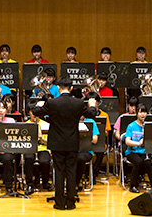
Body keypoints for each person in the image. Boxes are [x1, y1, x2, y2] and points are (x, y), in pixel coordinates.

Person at [32, 78, 97, 210]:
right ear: (71, 88)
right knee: (71, 172)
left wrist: (39, 105)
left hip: (57, 143)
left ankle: (59, 203)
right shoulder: (78, 102)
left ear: (59, 88)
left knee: (59, 172)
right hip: (72, 142)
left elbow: (36, 112)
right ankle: (71, 202)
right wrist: (91, 104)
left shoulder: (52, 102)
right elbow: (92, 114)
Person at [123, 103, 152, 193]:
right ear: (136, 114)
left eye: (144, 112)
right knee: (138, 162)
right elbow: (127, 141)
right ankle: (133, 185)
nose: (143, 114)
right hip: (132, 152)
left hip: (144, 151)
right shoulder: (131, 126)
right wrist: (138, 143)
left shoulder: (147, 126)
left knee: (148, 163)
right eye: (140, 112)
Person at [23, 104, 52, 194]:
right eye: (32, 112)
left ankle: (45, 182)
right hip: (30, 148)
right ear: (29, 113)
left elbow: (50, 143)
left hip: (43, 148)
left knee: (45, 161)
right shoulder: (25, 125)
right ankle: (29, 184)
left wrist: (41, 138)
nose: (34, 115)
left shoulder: (46, 125)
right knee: (28, 158)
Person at [84, 92, 111, 183]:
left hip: (99, 142)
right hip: (86, 143)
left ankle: (93, 173)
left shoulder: (104, 115)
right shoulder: (84, 115)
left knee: (101, 152)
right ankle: (86, 173)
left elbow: (107, 132)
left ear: (98, 103)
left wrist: (102, 131)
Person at [76, 114, 99, 191]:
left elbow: (95, 140)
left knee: (80, 159)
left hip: (86, 150)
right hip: (72, 150)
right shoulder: (71, 121)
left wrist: (85, 135)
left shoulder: (91, 122)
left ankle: (77, 182)